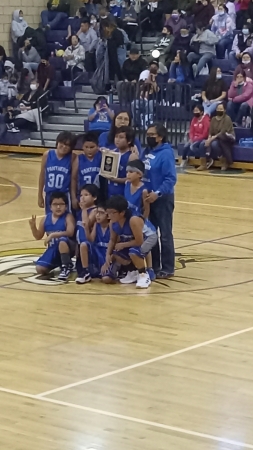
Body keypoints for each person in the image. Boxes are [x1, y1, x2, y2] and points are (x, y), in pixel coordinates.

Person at [142, 123, 177, 279]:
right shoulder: (147, 151)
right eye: (147, 134)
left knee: (165, 234)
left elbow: (171, 179)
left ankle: (168, 267)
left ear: (160, 137)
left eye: (152, 135)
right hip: (148, 199)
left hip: (162, 198)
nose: (149, 137)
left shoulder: (166, 154)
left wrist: (157, 193)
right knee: (151, 233)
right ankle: (154, 265)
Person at [102, 195, 157, 288]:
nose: (109, 216)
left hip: (149, 237)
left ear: (122, 213)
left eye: (112, 213)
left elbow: (139, 241)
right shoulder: (112, 222)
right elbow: (112, 239)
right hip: (133, 239)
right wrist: (108, 254)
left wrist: (123, 245)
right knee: (117, 253)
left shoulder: (133, 220)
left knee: (134, 252)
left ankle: (144, 275)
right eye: (108, 213)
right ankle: (133, 272)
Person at [29, 191, 75, 281]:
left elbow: (70, 232)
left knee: (62, 240)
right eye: (55, 204)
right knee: (40, 269)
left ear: (66, 206)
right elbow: (38, 236)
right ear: (50, 207)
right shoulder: (46, 218)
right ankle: (59, 263)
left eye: (61, 204)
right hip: (53, 249)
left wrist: (53, 235)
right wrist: (33, 227)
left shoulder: (68, 217)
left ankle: (66, 267)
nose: (58, 207)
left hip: (68, 247)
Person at [123, 158, 156, 282]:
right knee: (136, 241)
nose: (128, 174)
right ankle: (135, 270)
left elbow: (146, 209)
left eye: (131, 172)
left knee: (142, 243)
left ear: (139, 174)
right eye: (127, 172)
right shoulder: (127, 184)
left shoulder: (144, 190)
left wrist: (142, 220)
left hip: (139, 220)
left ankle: (150, 268)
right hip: (130, 219)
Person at [38, 131, 77, 212]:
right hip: (50, 194)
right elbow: (42, 175)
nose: (64, 146)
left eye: (68, 145)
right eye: (62, 143)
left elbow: (74, 179)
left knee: (65, 220)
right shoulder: (47, 154)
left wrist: (73, 198)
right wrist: (39, 195)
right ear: (57, 142)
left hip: (64, 195)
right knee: (50, 219)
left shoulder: (72, 157)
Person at [76, 201, 110, 283]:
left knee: (106, 279)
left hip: (108, 254)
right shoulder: (96, 224)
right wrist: (87, 228)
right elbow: (91, 239)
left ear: (108, 215)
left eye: (101, 213)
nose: (97, 215)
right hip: (97, 252)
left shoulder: (112, 225)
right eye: (97, 212)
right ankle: (85, 272)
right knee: (84, 244)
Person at [71, 132, 102, 209]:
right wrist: (73, 197)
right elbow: (74, 179)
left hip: (99, 195)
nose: (89, 150)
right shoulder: (78, 158)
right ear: (82, 147)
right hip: (83, 195)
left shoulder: (102, 156)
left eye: (92, 147)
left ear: (98, 146)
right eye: (86, 147)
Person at [75, 184, 99, 282]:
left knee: (92, 272)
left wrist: (84, 209)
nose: (82, 197)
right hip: (80, 244)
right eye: (81, 195)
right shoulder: (80, 211)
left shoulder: (95, 210)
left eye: (86, 195)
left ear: (94, 197)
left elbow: (87, 224)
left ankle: (86, 272)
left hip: (90, 245)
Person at [200, 103, 235, 170]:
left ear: (224, 110)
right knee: (203, 144)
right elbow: (210, 131)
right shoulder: (213, 119)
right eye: (218, 109)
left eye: (221, 109)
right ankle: (203, 163)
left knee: (214, 144)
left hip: (227, 137)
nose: (219, 110)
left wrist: (211, 139)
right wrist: (209, 138)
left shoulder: (227, 118)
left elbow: (223, 132)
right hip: (216, 137)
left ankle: (224, 161)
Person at [107, 126, 138, 197]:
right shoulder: (112, 152)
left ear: (129, 140)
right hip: (109, 192)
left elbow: (132, 179)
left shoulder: (132, 156)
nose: (117, 140)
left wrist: (115, 179)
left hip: (123, 193)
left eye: (121, 137)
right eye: (116, 136)